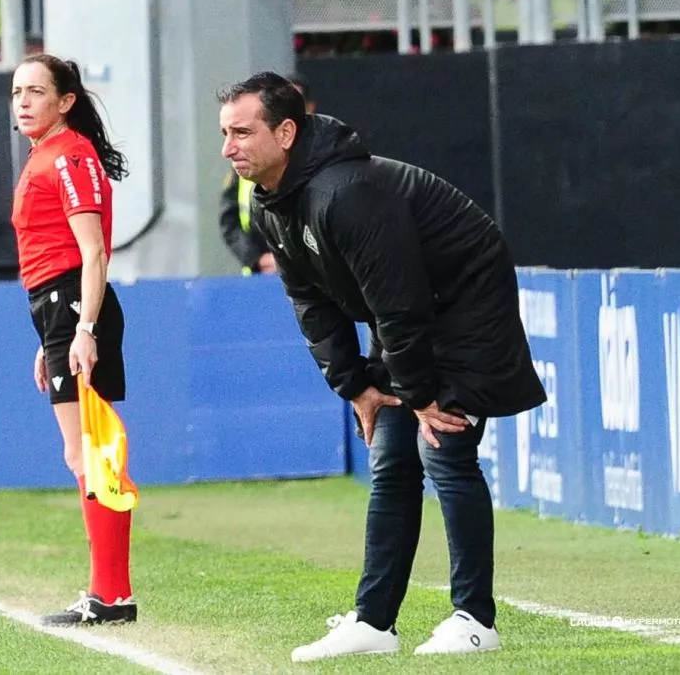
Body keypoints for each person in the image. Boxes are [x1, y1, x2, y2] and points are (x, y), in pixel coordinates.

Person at [217, 72, 546, 661]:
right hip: (414, 314)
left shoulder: (346, 191)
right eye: (225, 133)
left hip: (465, 299)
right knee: (391, 457)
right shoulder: (272, 206)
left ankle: (475, 619)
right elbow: (312, 303)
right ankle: (374, 623)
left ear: (286, 132)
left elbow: (400, 302)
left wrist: (420, 394)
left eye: (243, 131)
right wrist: (358, 387)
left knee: (443, 448)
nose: (229, 146)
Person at [10, 53, 136, 626]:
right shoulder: (47, 155)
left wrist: (82, 328)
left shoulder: (69, 155)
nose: (23, 102)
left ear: (66, 101)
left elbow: (93, 252)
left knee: (93, 449)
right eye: (17, 92)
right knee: (85, 450)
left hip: (72, 305)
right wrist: (51, 337)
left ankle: (110, 595)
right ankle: (110, 592)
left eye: (36, 91)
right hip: (59, 310)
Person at [218, 73, 316, 276]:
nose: (228, 150)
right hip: (260, 278)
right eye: (226, 134)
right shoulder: (246, 166)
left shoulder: (328, 174)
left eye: (242, 132)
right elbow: (229, 221)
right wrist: (256, 259)